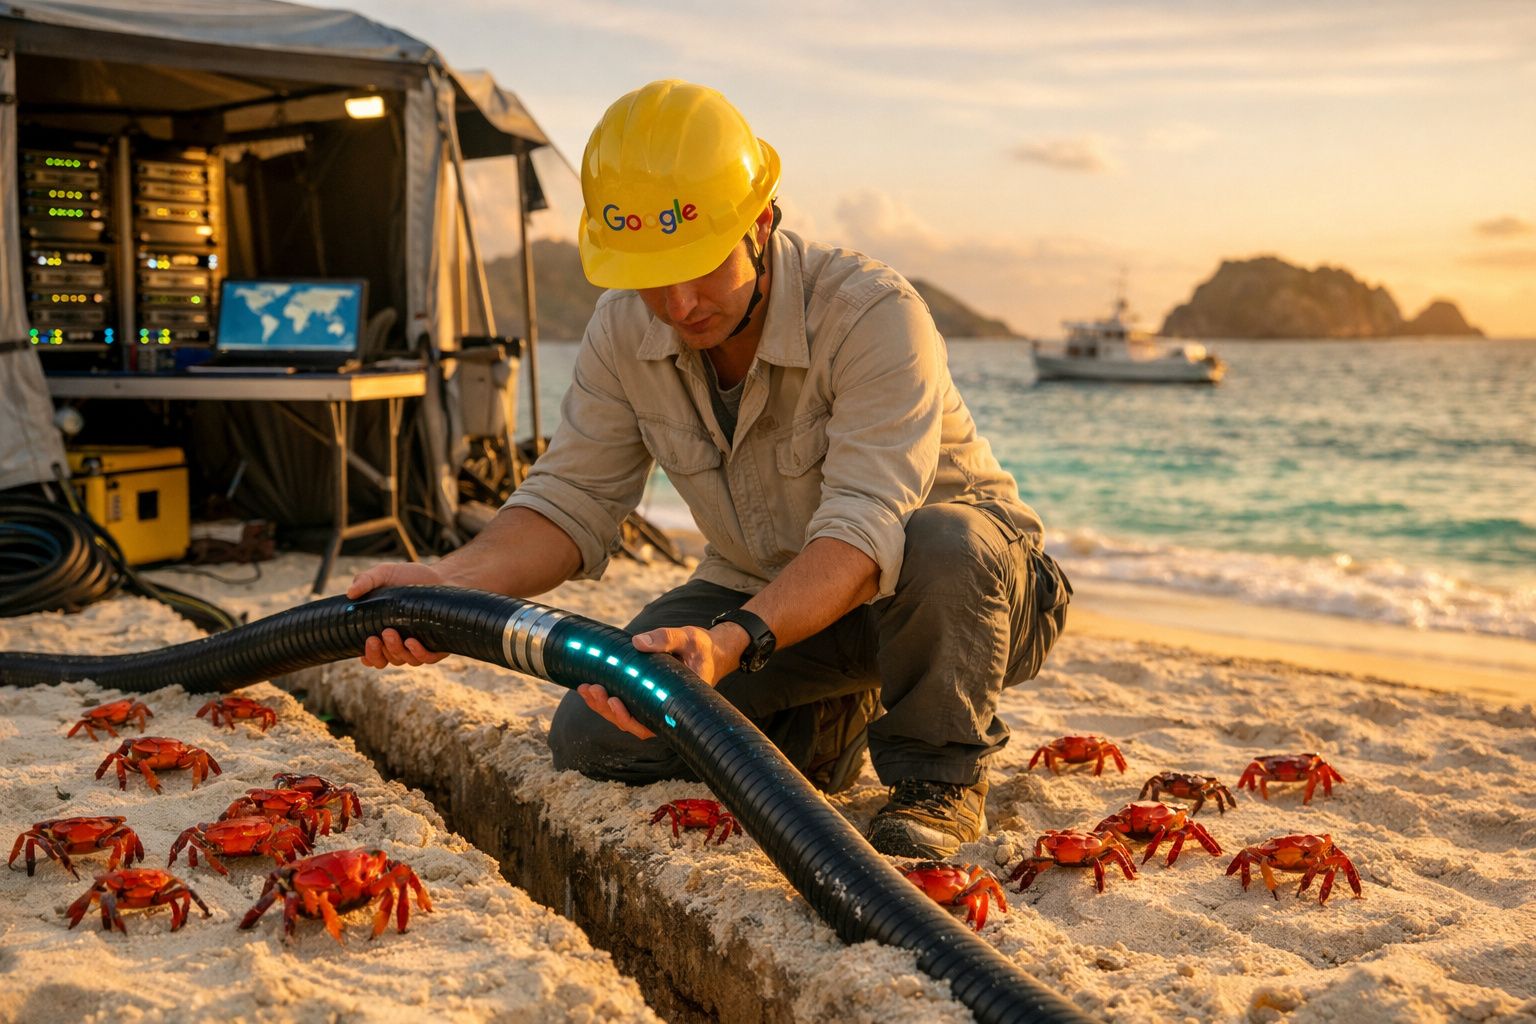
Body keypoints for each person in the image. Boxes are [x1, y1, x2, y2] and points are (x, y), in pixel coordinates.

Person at [347, 79, 1070, 859]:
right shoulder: (623, 327)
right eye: (652, 275)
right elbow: (570, 500)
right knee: (597, 732)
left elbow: (869, 531)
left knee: (941, 539)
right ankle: (824, 715)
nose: (681, 303)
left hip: (964, 599)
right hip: (765, 597)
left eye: (700, 265)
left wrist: (730, 642)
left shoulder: (872, 312)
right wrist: (448, 585)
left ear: (760, 222)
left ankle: (939, 777)